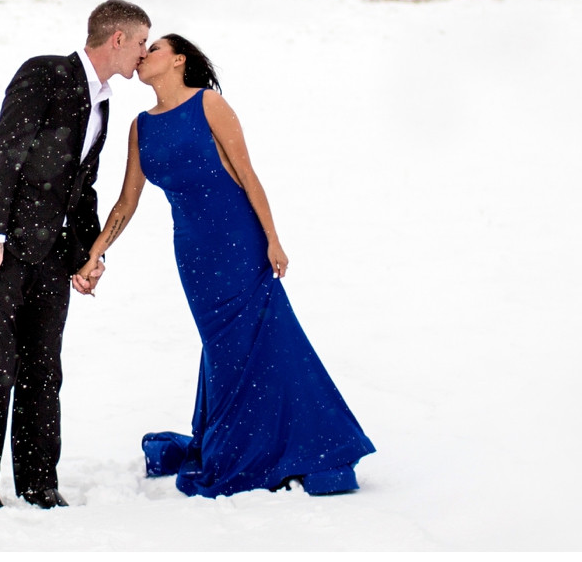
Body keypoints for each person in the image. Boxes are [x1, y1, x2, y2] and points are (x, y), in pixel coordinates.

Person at [75, 34, 375, 498]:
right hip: (193, 255)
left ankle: (294, 444)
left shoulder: (209, 104)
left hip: (239, 243)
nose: (143, 54)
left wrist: (273, 240)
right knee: (223, 350)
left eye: (153, 48)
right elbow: (126, 204)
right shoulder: (140, 127)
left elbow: (248, 176)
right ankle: (248, 440)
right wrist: (96, 255)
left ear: (178, 60)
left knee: (262, 342)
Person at [0, 0, 150, 512]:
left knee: (44, 368)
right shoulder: (45, 73)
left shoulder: (104, 100)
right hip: (4, 246)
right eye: (141, 42)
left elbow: (81, 188)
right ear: (117, 39)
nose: (144, 54)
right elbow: (4, 150)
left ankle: (40, 482)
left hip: (54, 252)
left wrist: (88, 255)